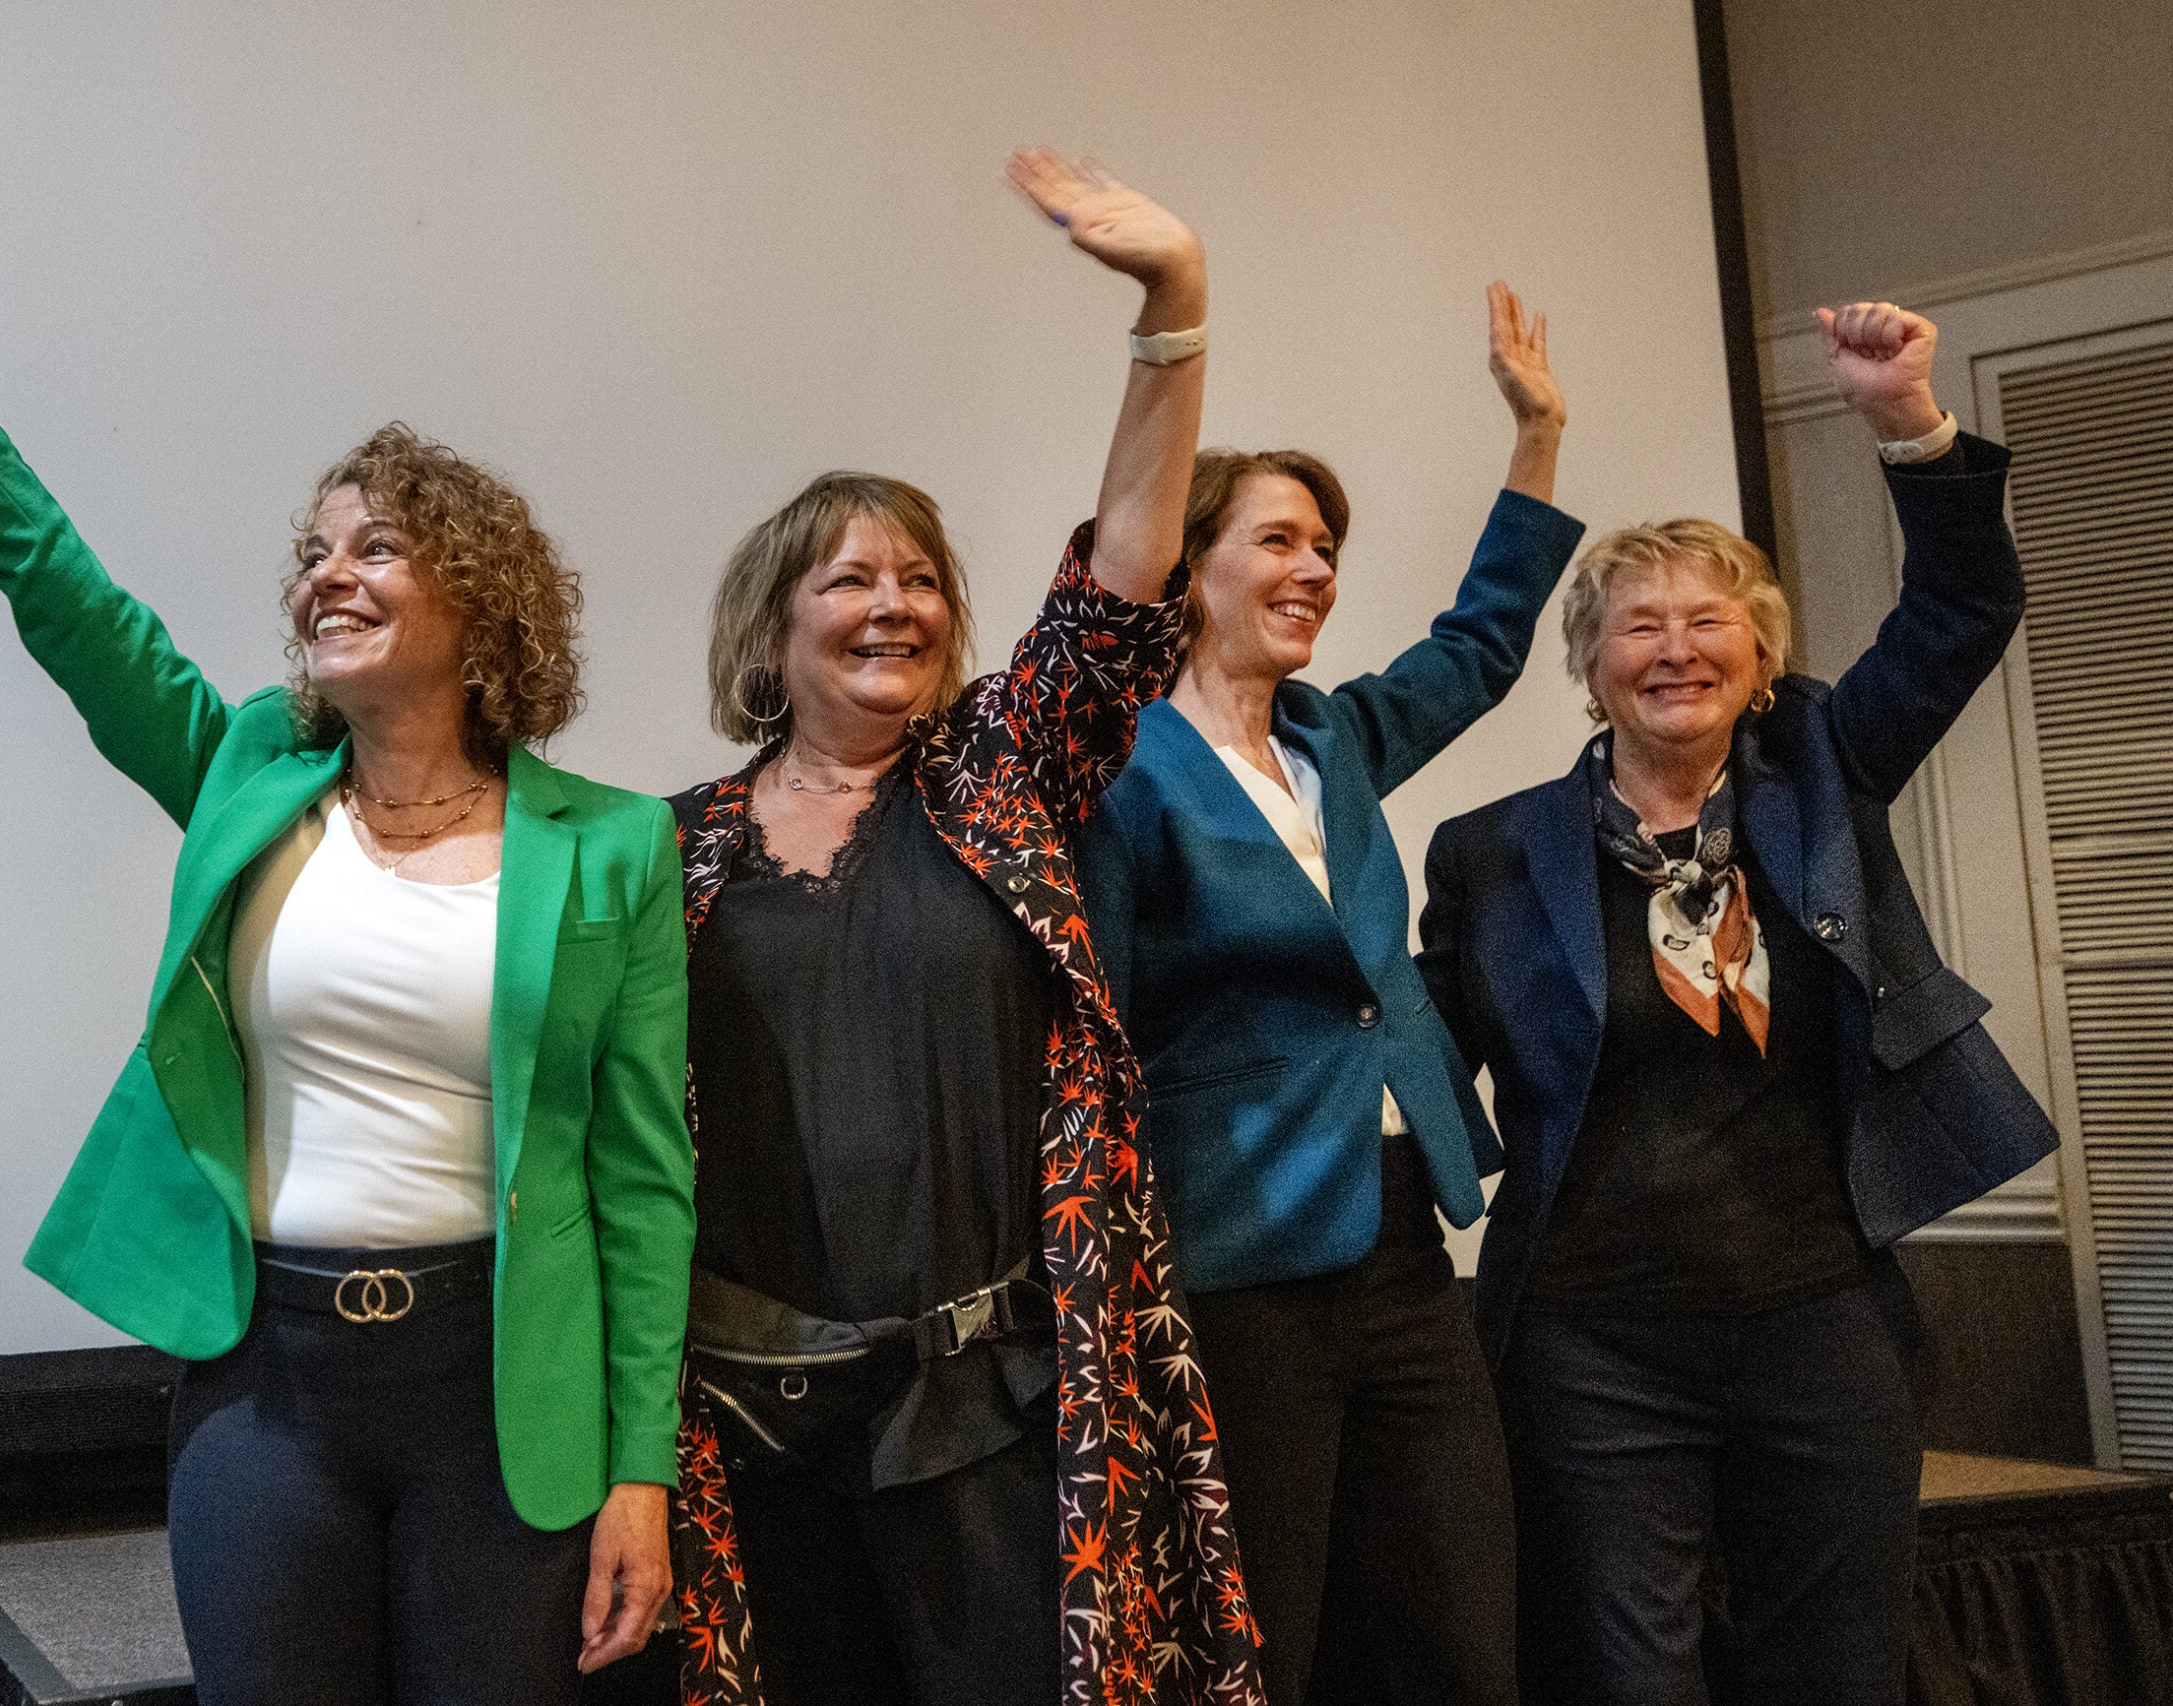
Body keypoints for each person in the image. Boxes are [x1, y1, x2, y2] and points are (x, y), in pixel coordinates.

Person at [0, 146, 693, 1706]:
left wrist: (643, 1470)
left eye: (375, 545)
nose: (326, 573)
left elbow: (643, 1182)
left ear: (483, 606)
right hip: (266, 1385)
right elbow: (66, 599)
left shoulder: (614, 845)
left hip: (504, 1388)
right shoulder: (245, 771)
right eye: (314, 550)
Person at [664, 151, 1259, 1706]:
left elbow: (1122, 584)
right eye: (850, 576)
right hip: (753, 1427)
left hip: (997, 1414)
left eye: (923, 576)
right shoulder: (668, 855)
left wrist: (1172, 309)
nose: (895, 603)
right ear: (771, 624)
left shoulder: (1006, 777)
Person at [1415, 302, 2058, 1706]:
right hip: (1592, 1345)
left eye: (1712, 620)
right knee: (1630, 1681)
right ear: (1589, 669)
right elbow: (1414, 1052)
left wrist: (1904, 417)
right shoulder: (1490, 853)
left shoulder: (1822, 768)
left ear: (1761, 660)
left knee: (1835, 1672)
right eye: (1639, 624)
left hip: (1820, 1315)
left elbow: (1963, 609)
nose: (1677, 646)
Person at [1079, 284, 1585, 1705]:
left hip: (1403, 1233)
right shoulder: (1123, 769)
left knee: (1461, 1636)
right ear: (1190, 568)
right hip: (1235, 1257)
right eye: (1279, 541)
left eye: (1328, 547)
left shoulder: (1335, 733)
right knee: (1269, 1642)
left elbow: (1482, 646)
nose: (1315, 569)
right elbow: (1098, 1027)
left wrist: (1536, 437)